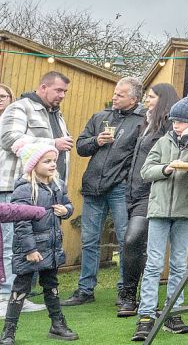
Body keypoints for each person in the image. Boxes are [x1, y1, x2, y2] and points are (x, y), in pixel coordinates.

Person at [132, 90, 188, 341]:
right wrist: (166, 169)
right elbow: (146, 170)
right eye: (174, 121)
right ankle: (146, 315)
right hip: (158, 210)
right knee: (154, 264)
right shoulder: (163, 141)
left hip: (185, 211)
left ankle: (173, 311)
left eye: (180, 121)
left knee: (179, 265)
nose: (175, 125)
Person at [64, 77, 146, 307]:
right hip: (93, 187)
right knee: (89, 240)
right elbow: (80, 146)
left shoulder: (142, 122)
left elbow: (140, 157)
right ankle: (85, 290)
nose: (114, 97)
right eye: (115, 93)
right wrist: (96, 141)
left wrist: (127, 181)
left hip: (121, 188)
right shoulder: (100, 117)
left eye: (120, 94)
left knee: (125, 241)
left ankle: (124, 292)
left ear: (134, 98)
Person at [0, 72, 72, 315]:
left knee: (34, 242)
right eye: (58, 91)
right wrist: (52, 142)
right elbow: (8, 137)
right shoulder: (20, 107)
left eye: (65, 92)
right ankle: (3, 297)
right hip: (16, 186)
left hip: (45, 189)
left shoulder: (56, 114)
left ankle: (21, 295)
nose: (62, 96)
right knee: (13, 243)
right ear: (43, 87)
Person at [4, 140, 76, 344]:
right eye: (47, 161)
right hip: (31, 249)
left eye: (54, 160)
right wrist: (30, 249)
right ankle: (8, 332)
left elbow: (68, 204)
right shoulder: (25, 189)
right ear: (33, 164)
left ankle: (57, 325)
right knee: (20, 289)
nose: (53, 164)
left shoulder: (57, 185)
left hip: (51, 248)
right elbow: (21, 221)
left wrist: (67, 211)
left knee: (51, 285)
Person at [118, 83, 179, 317]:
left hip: (151, 193)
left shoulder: (168, 127)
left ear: (163, 99)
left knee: (133, 240)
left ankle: (129, 295)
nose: (146, 100)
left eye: (151, 97)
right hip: (132, 192)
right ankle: (133, 295)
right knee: (136, 244)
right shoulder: (146, 122)